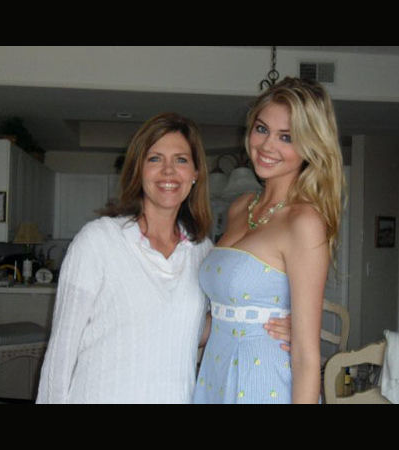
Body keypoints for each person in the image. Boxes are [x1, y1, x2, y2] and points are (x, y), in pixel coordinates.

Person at [36, 112, 290, 404]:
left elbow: (200, 329)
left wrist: (274, 325)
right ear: (138, 170)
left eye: (181, 160)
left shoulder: (202, 252)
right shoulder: (98, 240)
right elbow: (61, 352)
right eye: (155, 159)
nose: (168, 171)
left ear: (195, 173)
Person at [193, 77, 344, 404]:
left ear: (310, 146)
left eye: (286, 137)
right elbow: (218, 315)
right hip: (216, 376)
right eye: (262, 129)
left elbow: (306, 354)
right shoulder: (240, 207)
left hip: (264, 382)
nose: (266, 145)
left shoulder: (303, 222)